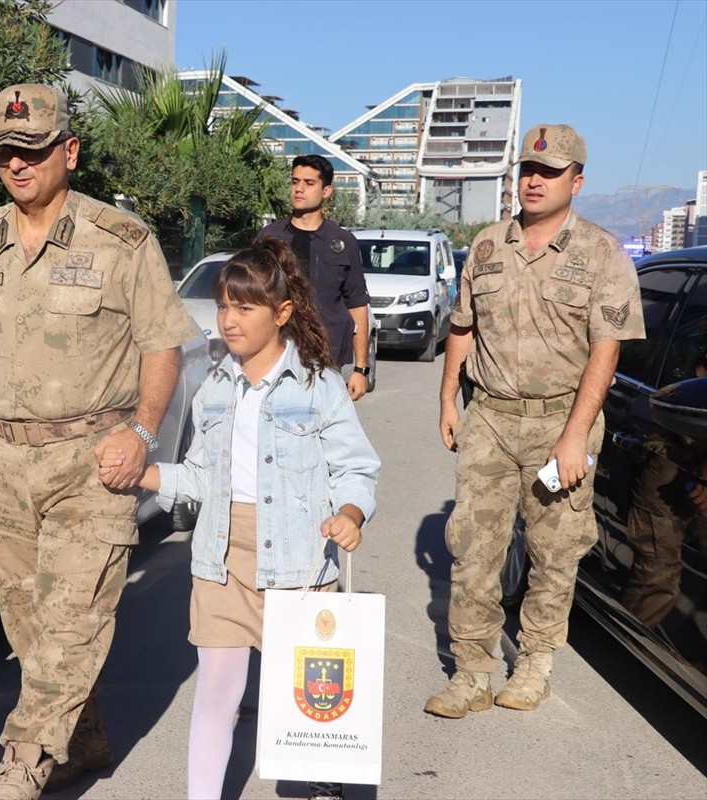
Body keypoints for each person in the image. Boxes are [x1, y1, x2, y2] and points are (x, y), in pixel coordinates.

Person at [0, 83, 199, 799]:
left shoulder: (121, 240)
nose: (17, 165)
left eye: (30, 150)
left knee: (74, 615)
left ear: (69, 150)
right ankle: (82, 734)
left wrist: (143, 434)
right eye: (4, 154)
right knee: (28, 625)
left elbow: (162, 347)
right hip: (2, 459)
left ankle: (23, 763)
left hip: (93, 461)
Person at [99, 238, 380, 800]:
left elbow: (357, 469)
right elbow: (201, 478)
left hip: (300, 564)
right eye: (224, 305)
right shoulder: (215, 389)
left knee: (307, 705)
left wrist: (350, 513)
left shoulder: (318, 386)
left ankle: (322, 784)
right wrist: (143, 476)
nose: (229, 320)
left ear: (281, 313)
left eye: (244, 307)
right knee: (216, 696)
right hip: (221, 559)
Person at [427, 124, 645, 718]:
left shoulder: (602, 253)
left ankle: (535, 664)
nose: (534, 181)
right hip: (490, 418)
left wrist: (575, 437)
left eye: (549, 173)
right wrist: (449, 399)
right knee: (473, 547)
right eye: (527, 170)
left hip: (559, 422)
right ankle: (470, 669)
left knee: (555, 550)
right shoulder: (487, 246)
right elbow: (462, 327)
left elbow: (607, 349)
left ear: (576, 181)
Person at [255, 154, 372, 402]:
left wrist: (361, 369)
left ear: (326, 191)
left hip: (326, 360)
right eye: (295, 181)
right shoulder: (268, 238)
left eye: (309, 183)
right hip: (273, 355)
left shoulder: (343, 242)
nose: (298, 188)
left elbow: (357, 304)